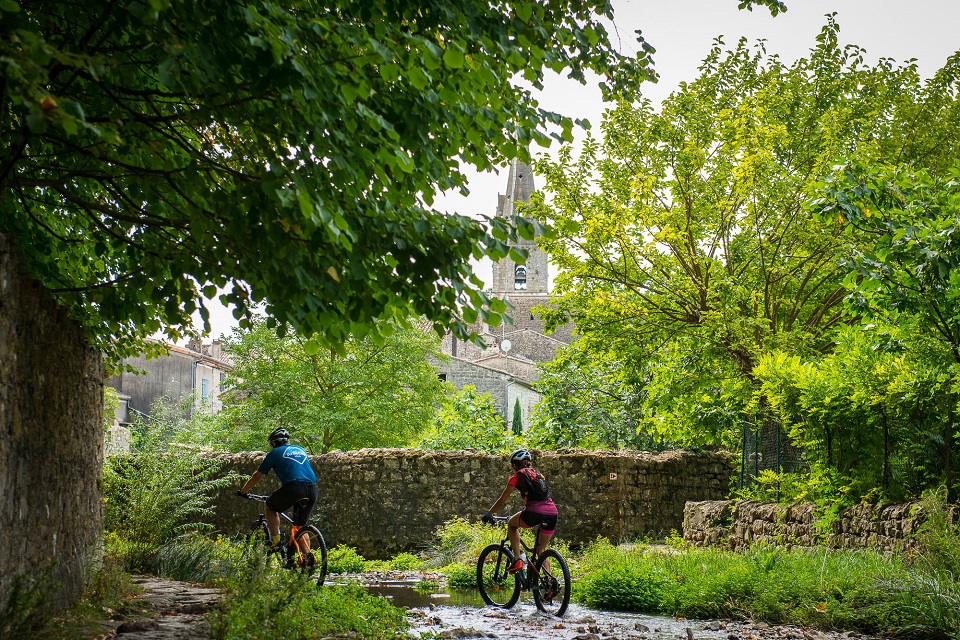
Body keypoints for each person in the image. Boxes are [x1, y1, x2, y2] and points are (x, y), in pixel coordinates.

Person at [237, 427, 319, 558]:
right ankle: (307, 558)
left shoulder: (275, 453)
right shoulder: (300, 449)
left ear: (273, 443)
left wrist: (243, 491)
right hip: (313, 488)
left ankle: (276, 542)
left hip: (294, 487)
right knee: (299, 526)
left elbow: (257, 475)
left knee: (270, 506)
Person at [483, 449, 559, 573]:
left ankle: (517, 559)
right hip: (552, 512)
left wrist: (489, 514)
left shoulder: (516, 477)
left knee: (512, 525)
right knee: (541, 550)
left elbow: (502, 501)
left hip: (534, 512)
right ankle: (550, 583)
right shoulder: (539, 474)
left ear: (514, 465)